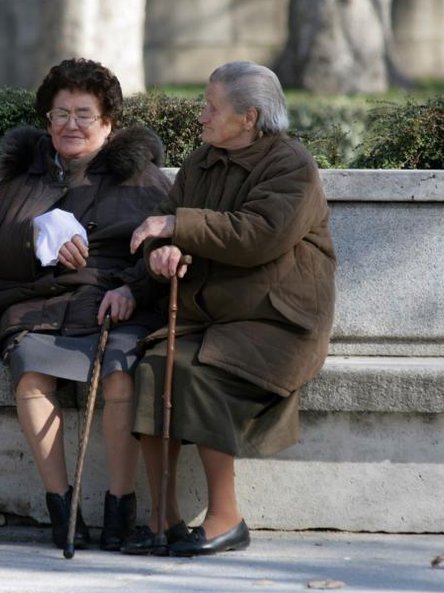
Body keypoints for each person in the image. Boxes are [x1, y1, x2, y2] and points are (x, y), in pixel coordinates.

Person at [0, 58, 171, 551]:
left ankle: (119, 504)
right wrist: (36, 240)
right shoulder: (23, 180)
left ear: (109, 123)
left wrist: (132, 288)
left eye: (84, 114)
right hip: (35, 307)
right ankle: (61, 506)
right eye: (60, 113)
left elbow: (159, 250)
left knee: (121, 370)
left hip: (115, 304)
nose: (71, 125)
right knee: (30, 372)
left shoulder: (143, 180)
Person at [124, 61, 336, 557]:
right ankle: (162, 517)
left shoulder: (291, 166)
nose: (200, 116)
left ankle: (226, 517)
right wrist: (162, 258)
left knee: (196, 373)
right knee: (154, 369)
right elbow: (172, 235)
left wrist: (176, 228)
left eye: (211, 107)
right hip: (210, 318)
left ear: (249, 117)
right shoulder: (201, 162)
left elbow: (258, 236)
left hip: (277, 323)